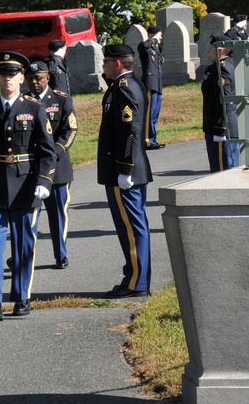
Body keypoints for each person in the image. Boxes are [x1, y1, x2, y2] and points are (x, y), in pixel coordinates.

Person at [0, 52, 56, 321]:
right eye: (2, 74)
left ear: (22, 78)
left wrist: (45, 180)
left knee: (22, 245)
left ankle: (21, 296)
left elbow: (47, 151)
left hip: (25, 185)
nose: (7, 79)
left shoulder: (34, 109)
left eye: (12, 74)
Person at [97, 43, 153, 299]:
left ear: (117, 63)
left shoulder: (124, 89)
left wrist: (125, 168)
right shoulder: (128, 85)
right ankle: (134, 277)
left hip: (126, 171)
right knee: (132, 226)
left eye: (106, 62)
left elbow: (130, 131)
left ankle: (136, 283)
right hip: (127, 169)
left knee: (132, 227)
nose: (103, 66)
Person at [25, 60, 77, 269]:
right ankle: (25, 254)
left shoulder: (61, 100)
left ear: (48, 77)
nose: (34, 82)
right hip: (29, 169)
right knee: (28, 217)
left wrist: (56, 151)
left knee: (57, 216)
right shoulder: (23, 101)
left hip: (57, 168)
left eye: (38, 78)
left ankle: (60, 255)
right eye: (30, 79)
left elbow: (70, 130)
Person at [201, 36, 239, 172]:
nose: (208, 51)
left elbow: (224, 101)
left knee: (222, 173)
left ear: (221, 50)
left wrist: (220, 128)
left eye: (211, 48)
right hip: (219, 126)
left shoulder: (222, 69)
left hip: (220, 128)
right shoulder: (217, 68)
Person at [138, 26, 165, 150]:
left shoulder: (157, 49)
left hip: (157, 84)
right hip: (150, 84)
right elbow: (142, 47)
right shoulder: (146, 48)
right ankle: (147, 140)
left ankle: (152, 139)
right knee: (150, 113)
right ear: (152, 35)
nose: (160, 38)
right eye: (159, 35)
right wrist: (153, 39)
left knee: (155, 114)